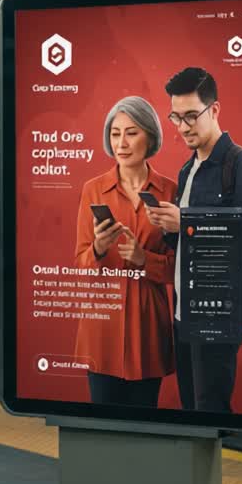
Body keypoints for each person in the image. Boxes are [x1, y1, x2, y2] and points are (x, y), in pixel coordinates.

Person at [148, 67, 242, 413]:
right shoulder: (188, 170)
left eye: (191, 116)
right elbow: (189, 245)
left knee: (209, 410)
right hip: (185, 310)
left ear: (214, 110)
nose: (183, 127)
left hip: (218, 312)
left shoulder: (240, 165)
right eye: (176, 117)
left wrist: (186, 220)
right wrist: (169, 228)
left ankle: (211, 470)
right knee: (190, 408)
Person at [72, 96, 178, 406]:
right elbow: (80, 265)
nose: (122, 142)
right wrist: (99, 249)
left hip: (149, 330)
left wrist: (146, 260)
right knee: (105, 429)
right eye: (115, 133)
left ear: (150, 136)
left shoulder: (171, 191)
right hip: (102, 330)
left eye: (131, 132)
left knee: (144, 427)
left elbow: (184, 268)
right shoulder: (93, 190)